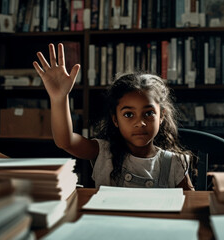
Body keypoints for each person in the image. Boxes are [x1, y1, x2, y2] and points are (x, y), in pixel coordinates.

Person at [33, 43, 195, 190]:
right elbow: (65, 141)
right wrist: (59, 98)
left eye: (149, 113)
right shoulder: (103, 152)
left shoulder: (175, 163)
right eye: (129, 114)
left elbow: (191, 203)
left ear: (161, 116)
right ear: (115, 119)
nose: (140, 123)